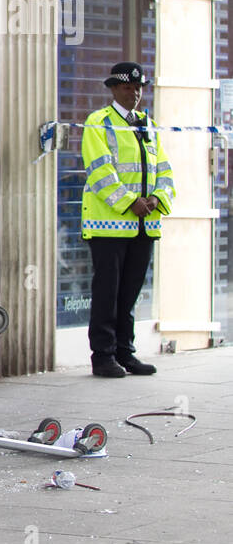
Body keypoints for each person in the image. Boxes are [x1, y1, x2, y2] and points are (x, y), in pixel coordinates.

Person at [81, 62, 177, 378]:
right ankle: (103, 356)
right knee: (107, 293)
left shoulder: (147, 125)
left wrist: (157, 200)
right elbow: (99, 171)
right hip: (109, 225)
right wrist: (129, 202)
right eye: (127, 87)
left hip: (144, 224)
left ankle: (126, 352)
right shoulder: (100, 123)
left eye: (138, 88)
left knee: (130, 293)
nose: (134, 93)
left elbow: (163, 169)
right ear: (113, 89)